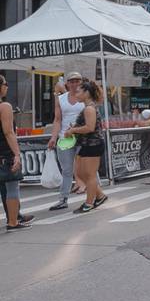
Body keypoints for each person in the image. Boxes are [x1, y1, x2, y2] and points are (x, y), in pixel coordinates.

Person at [46, 72, 92, 210]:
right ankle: (63, 199)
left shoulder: (85, 97)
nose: (75, 84)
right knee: (66, 170)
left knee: (88, 169)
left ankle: (94, 196)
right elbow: (57, 119)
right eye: (72, 81)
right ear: (67, 83)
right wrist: (53, 137)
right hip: (65, 138)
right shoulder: (61, 99)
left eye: (77, 81)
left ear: (81, 82)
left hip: (82, 137)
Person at [65, 80, 108, 214]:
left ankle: (89, 203)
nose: (76, 94)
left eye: (79, 91)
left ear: (87, 93)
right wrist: (75, 128)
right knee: (81, 174)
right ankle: (100, 196)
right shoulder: (87, 107)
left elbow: (90, 127)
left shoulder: (89, 108)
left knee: (89, 175)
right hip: (87, 144)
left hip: (93, 144)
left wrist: (73, 130)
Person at [1, 75, 33, 231]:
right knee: (12, 188)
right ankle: (13, 221)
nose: (7, 86)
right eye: (5, 84)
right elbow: (9, 132)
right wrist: (17, 154)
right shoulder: (4, 106)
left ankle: (14, 218)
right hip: (5, 152)